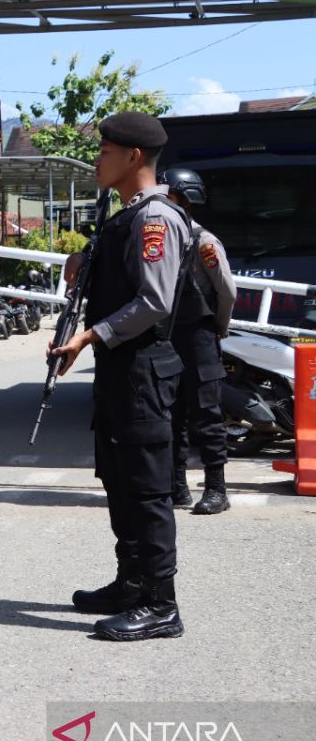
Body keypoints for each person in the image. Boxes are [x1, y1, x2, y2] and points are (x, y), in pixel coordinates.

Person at [50, 112, 190, 641]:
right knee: (119, 479)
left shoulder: (156, 218)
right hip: (120, 369)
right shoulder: (124, 215)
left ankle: (161, 602)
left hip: (143, 369)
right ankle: (131, 583)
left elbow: (153, 301)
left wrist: (91, 336)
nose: (97, 159)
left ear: (134, 157)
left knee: (147, 489)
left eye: (105, 150)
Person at [160, 168, 237, 515]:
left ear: (185, 200)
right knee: (170, 413)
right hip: (168, 335)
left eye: (170, 197)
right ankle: (177, 487)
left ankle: (217, 490)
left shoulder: (204, 241)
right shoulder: (161, 240)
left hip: (200, 336)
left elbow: (226, 291)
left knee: (206, 414)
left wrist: (217, 329)